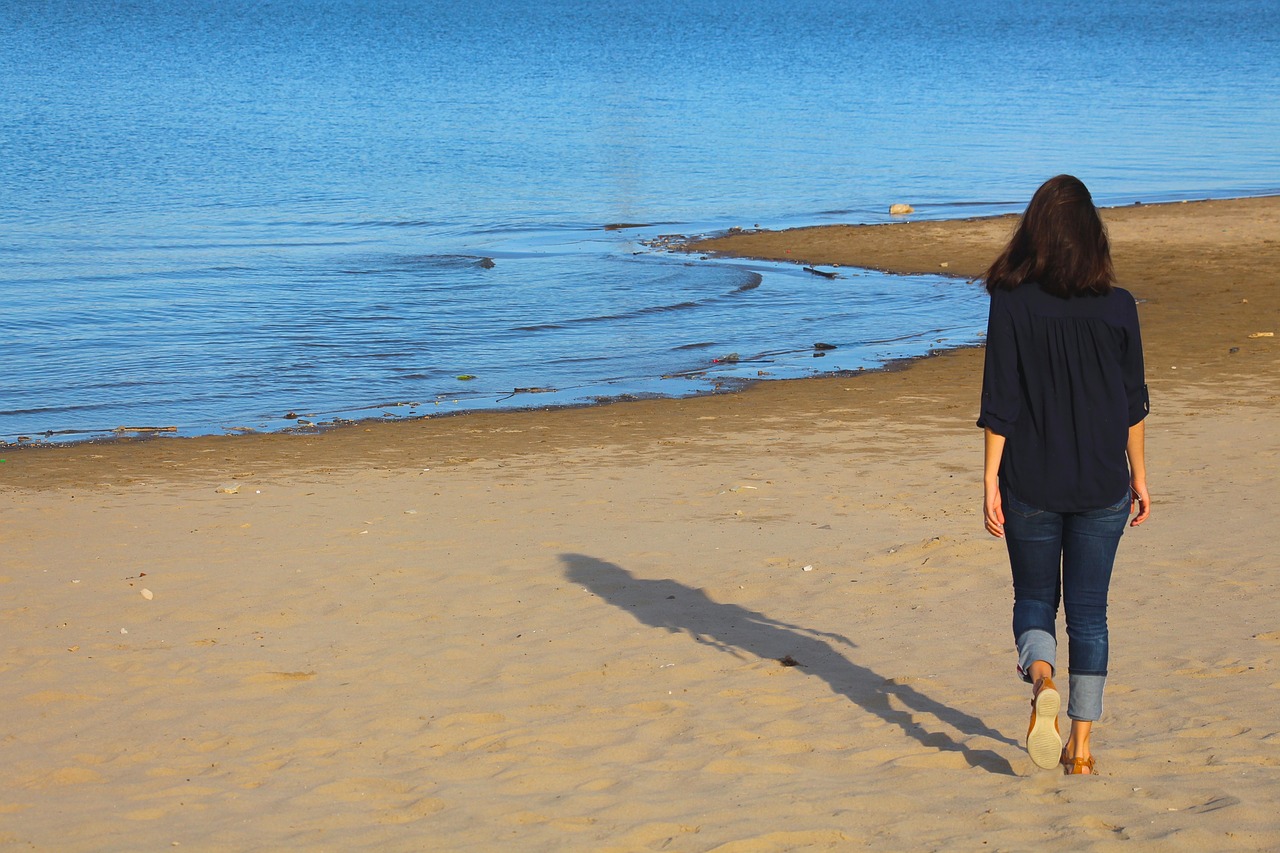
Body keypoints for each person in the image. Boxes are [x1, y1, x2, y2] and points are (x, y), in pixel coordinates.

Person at [978, 175, 1151, 776]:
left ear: (1037, 234)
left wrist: (989, 481)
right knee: (1090, 613)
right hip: (1103, 482)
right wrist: (1140, 476)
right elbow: (1134, 404)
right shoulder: (1120, 306)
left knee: (1033, 600)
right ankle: (1080, 750)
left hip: (1031, 480)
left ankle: (1042, 679)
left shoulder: (1011, 302)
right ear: (1092, 236)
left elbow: (999, 402)